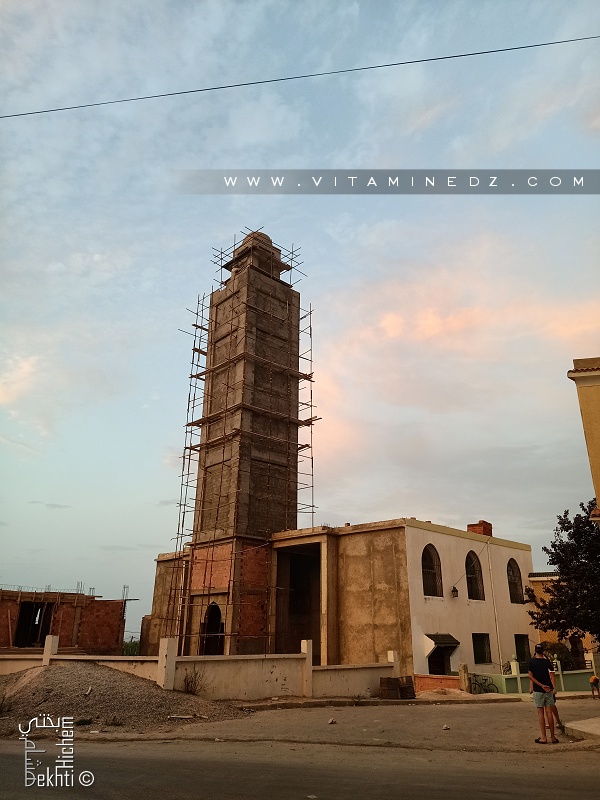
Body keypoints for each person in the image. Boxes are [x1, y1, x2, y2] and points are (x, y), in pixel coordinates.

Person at [528, 643, 559, 743]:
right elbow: (552, 672)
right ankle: (553, 737)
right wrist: (551, 687)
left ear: (535, 651)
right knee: (549, 713)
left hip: (539, 690)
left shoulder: (532, 661)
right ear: (543, 651)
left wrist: (540, 685)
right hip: (548, 689)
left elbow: (530, 676)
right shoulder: (546, 662)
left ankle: (543, 737)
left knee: (540, 714)